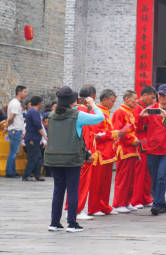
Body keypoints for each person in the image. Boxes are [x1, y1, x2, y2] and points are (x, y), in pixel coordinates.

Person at [45, 87, 104, 232]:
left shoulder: (52, 115)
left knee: (58, 190)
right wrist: (93, 105)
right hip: (71, 158)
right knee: (72, 190)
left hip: (53, 157)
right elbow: (100, 117)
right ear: (73, 101)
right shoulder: (78, 115)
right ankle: (72, 223)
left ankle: (54, 223)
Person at [139, 84, 166, 216]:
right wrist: (141, 116)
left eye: (164, 95)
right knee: (154, 178)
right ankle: (161, 203)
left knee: (162, 176)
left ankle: (156, 204)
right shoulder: (151, 109)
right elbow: (138, 128)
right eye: (160, 95)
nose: (161, 97)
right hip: (152, 150)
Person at [88, 89, 123, 216]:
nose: (113, 104)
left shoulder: (106, 112)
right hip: (100, 153)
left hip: (108, 152)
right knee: (97, 183)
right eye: (112, 101)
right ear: (104, 100)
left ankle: (104, 206)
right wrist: (113, 134)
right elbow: (97, 134)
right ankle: (94, 207)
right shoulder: (97, 112)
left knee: (106, 183)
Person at [112, 90, 141, 214]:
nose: (136, 101)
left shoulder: (130, 112)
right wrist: (132, 140)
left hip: (132, 149)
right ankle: (119, 203)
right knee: (123, 178)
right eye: (134, 98)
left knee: (130, 178)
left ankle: (127, 201)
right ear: (127, 99)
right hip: (124, 149)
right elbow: (119, 131)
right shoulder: (120, 112)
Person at [72, 85, 97, 221]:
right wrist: (87, 153)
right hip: (83, 153)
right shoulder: (83, 112)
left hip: (75, 151)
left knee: (74, 183)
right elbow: (86, 135)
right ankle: (78, 209)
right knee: (82, 183)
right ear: (92, 97)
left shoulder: (74, 110)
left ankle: (71, 208)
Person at [132, 86, 156, 209]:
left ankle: (146, 198)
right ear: (145, 95)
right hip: (140, 141)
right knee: (139, 173)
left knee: (147, 174)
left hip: (147, 143)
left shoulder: (146, 107)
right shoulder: (137, 107)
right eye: (152, 97)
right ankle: (136, 199)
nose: (153, 100)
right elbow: (135, 125)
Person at [22, 96, 46, 181]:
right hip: (32, 138)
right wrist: (45, 136)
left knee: (38, 157)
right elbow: (38, 125)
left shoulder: (31, 111)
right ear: (39, 103)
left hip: (34, 138)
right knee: (33, 157)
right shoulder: (34, 112)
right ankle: (26, 175)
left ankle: (37, 174)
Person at [6, 85, 27, 178]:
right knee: (13, 152)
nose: (26, 94)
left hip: (15, 130)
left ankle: (12, 170)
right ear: (19, 92)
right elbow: (11, 117)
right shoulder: (15, 103)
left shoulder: (16, 103)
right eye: (24, 92)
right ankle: (10, 172)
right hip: (15, 130)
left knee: (14, 151)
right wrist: (8, 126)